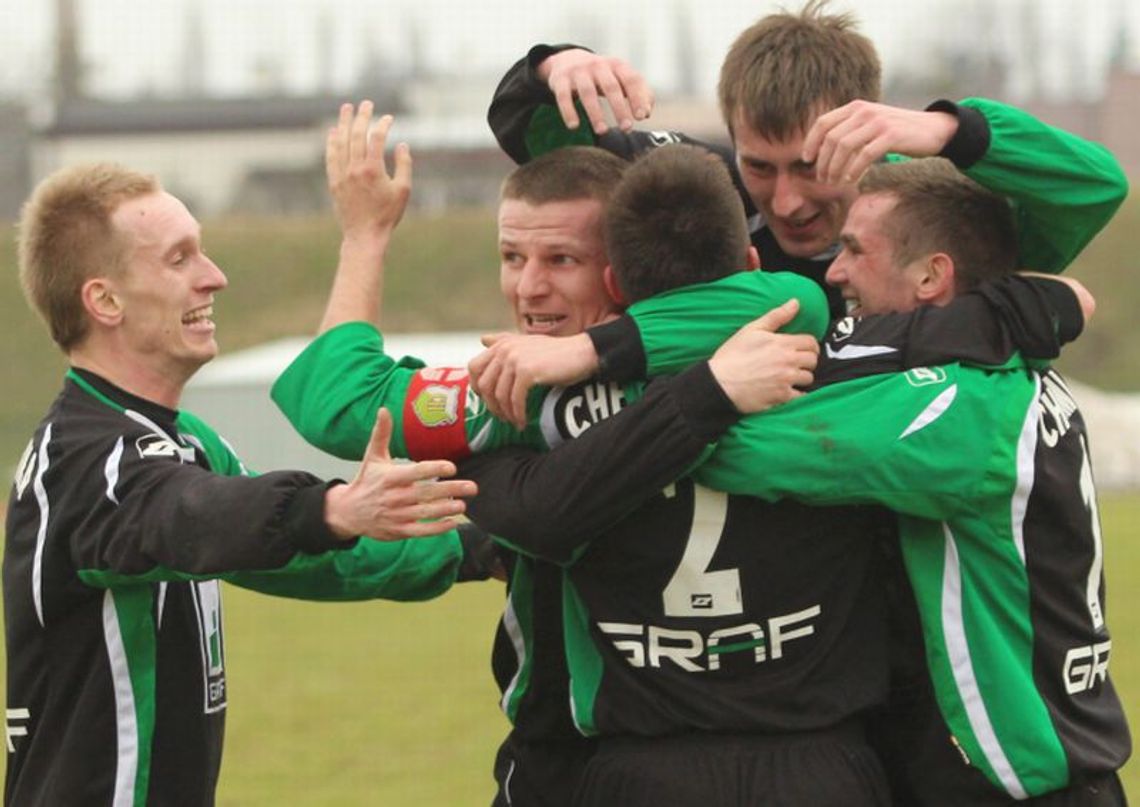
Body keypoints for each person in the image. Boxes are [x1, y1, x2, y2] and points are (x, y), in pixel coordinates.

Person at [274, 111, 1092, 804]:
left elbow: (332, 395)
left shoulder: (519, 404)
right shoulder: (818, 369)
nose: (528, 289)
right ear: (747, 266)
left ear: (617, 274)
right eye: (514, 258)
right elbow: (803, 298)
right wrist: (1033, 300)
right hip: (829, 760)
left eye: (557, 260)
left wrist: (366, 235)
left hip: (632, 762)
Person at [462, 153, 1129, 804]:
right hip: (900, 761)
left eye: (855, 249)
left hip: (1018, 781)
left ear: (932, 275)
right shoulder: (992, 367)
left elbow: (770, 444)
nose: (832, 270)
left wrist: (581, 434)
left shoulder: (952, 407)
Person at [3, 159, 489, 806]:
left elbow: (308, 558)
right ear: (105, 300)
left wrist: (483, 547)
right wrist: (332, 506)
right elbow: (190, 516)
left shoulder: (184, 442)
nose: (216, 276)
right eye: (180, 259)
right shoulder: (89, 459)